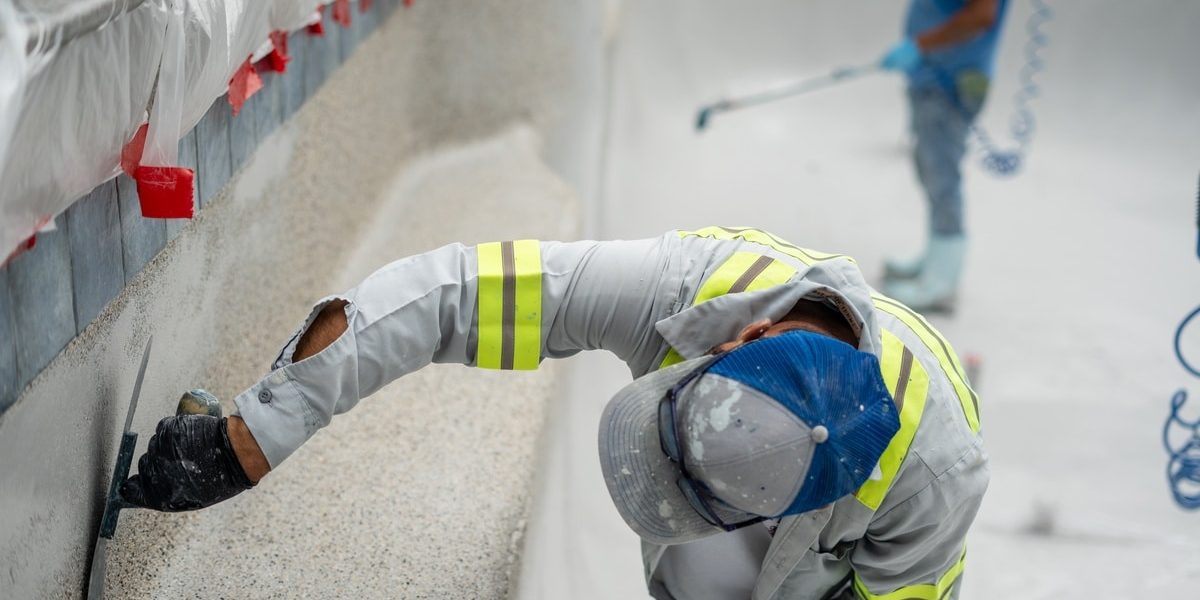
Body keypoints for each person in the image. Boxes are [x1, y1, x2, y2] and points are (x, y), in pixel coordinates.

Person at [121, 227, 988, 599]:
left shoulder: (935, 479)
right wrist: (254, 435)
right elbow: (450, 295)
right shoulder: (684, 285)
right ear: (742, 337)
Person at [878, 0, 1008, 311]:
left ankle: (942, 282)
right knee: (930, 170)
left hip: (948, 83)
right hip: (932, 78)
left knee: (942, 178)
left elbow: (980, 15)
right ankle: (936, 257)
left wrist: (919, 45)